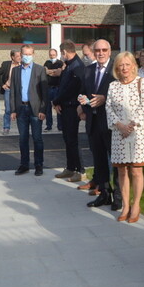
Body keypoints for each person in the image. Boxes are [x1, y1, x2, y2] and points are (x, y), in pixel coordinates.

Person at [105, 52, 144, 223]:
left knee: (136, 170)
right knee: (121, 170)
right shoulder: (113, 86)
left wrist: (131, 126)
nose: (124, 68)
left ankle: (136, 205)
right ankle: (125, 205)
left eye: (127, 64)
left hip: (138, 134)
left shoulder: (142, 82)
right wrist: (120, 126)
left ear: (134, 65)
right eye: (121, 65)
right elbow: (108, 107)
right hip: (119, 133)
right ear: (117, 68)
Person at [78, 39, 122, 210]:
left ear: (110, 51)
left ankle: (118, 197)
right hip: (93, 122)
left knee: (117, 161)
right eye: (97, 50)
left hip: (112, 124)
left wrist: (105, 99)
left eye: (104, 50)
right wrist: (82, 103)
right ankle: (104, 193)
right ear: (93, 51)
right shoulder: (88, 70)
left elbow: (122, 94)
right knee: (99, 161)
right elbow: (82, 92)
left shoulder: (117, 70)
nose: (101, 53)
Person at [10, 44, 47, 176]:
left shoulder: (40, 69)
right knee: (23, 139)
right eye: (24, 54)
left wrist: (43, 110)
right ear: (20, 55)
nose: (26, 56)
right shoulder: (15, 71)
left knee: (37, 138)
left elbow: (44, 93)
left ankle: (38, 165)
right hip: (21, 109)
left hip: (36, 110)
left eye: (29, 54)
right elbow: (13, 91)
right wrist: (13, 110)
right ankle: (24, 165)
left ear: (33, 54)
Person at [53, 40, 85, 182]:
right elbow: (62, 85)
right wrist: (58, 102)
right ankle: (70, 167)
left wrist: (56, 101)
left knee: (72, 139)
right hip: (65, 105)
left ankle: (80, 169)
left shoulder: (77, 66)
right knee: (67, 138)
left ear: (64, 52)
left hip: (72, 107)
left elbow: (70, 88)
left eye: (62, 53)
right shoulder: (70, 65)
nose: (62, 56)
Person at [0, 50, 19, 135]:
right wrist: (2, 85)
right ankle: (6, 127)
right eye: (17, 56)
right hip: (9, 90)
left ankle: (22, 128)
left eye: (20, 55)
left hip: (19, 91)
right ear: (12, 57)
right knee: (8, 109)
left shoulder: (23, 65)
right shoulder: (6, 64)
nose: (20, 57)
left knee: (21, 109)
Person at [44, 48, 64, 131]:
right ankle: (49, 125)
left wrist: (50, 72)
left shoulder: (60, 63)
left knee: (58, 107)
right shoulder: (47, 62)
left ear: (56, 55)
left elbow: (60, 72)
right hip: (48, 88)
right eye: (51, 55)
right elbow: (45, 71)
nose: (52, 56)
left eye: (54, 55)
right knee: (47, 108)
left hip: (57, 88)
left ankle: (60, 126)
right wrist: (54, 72)